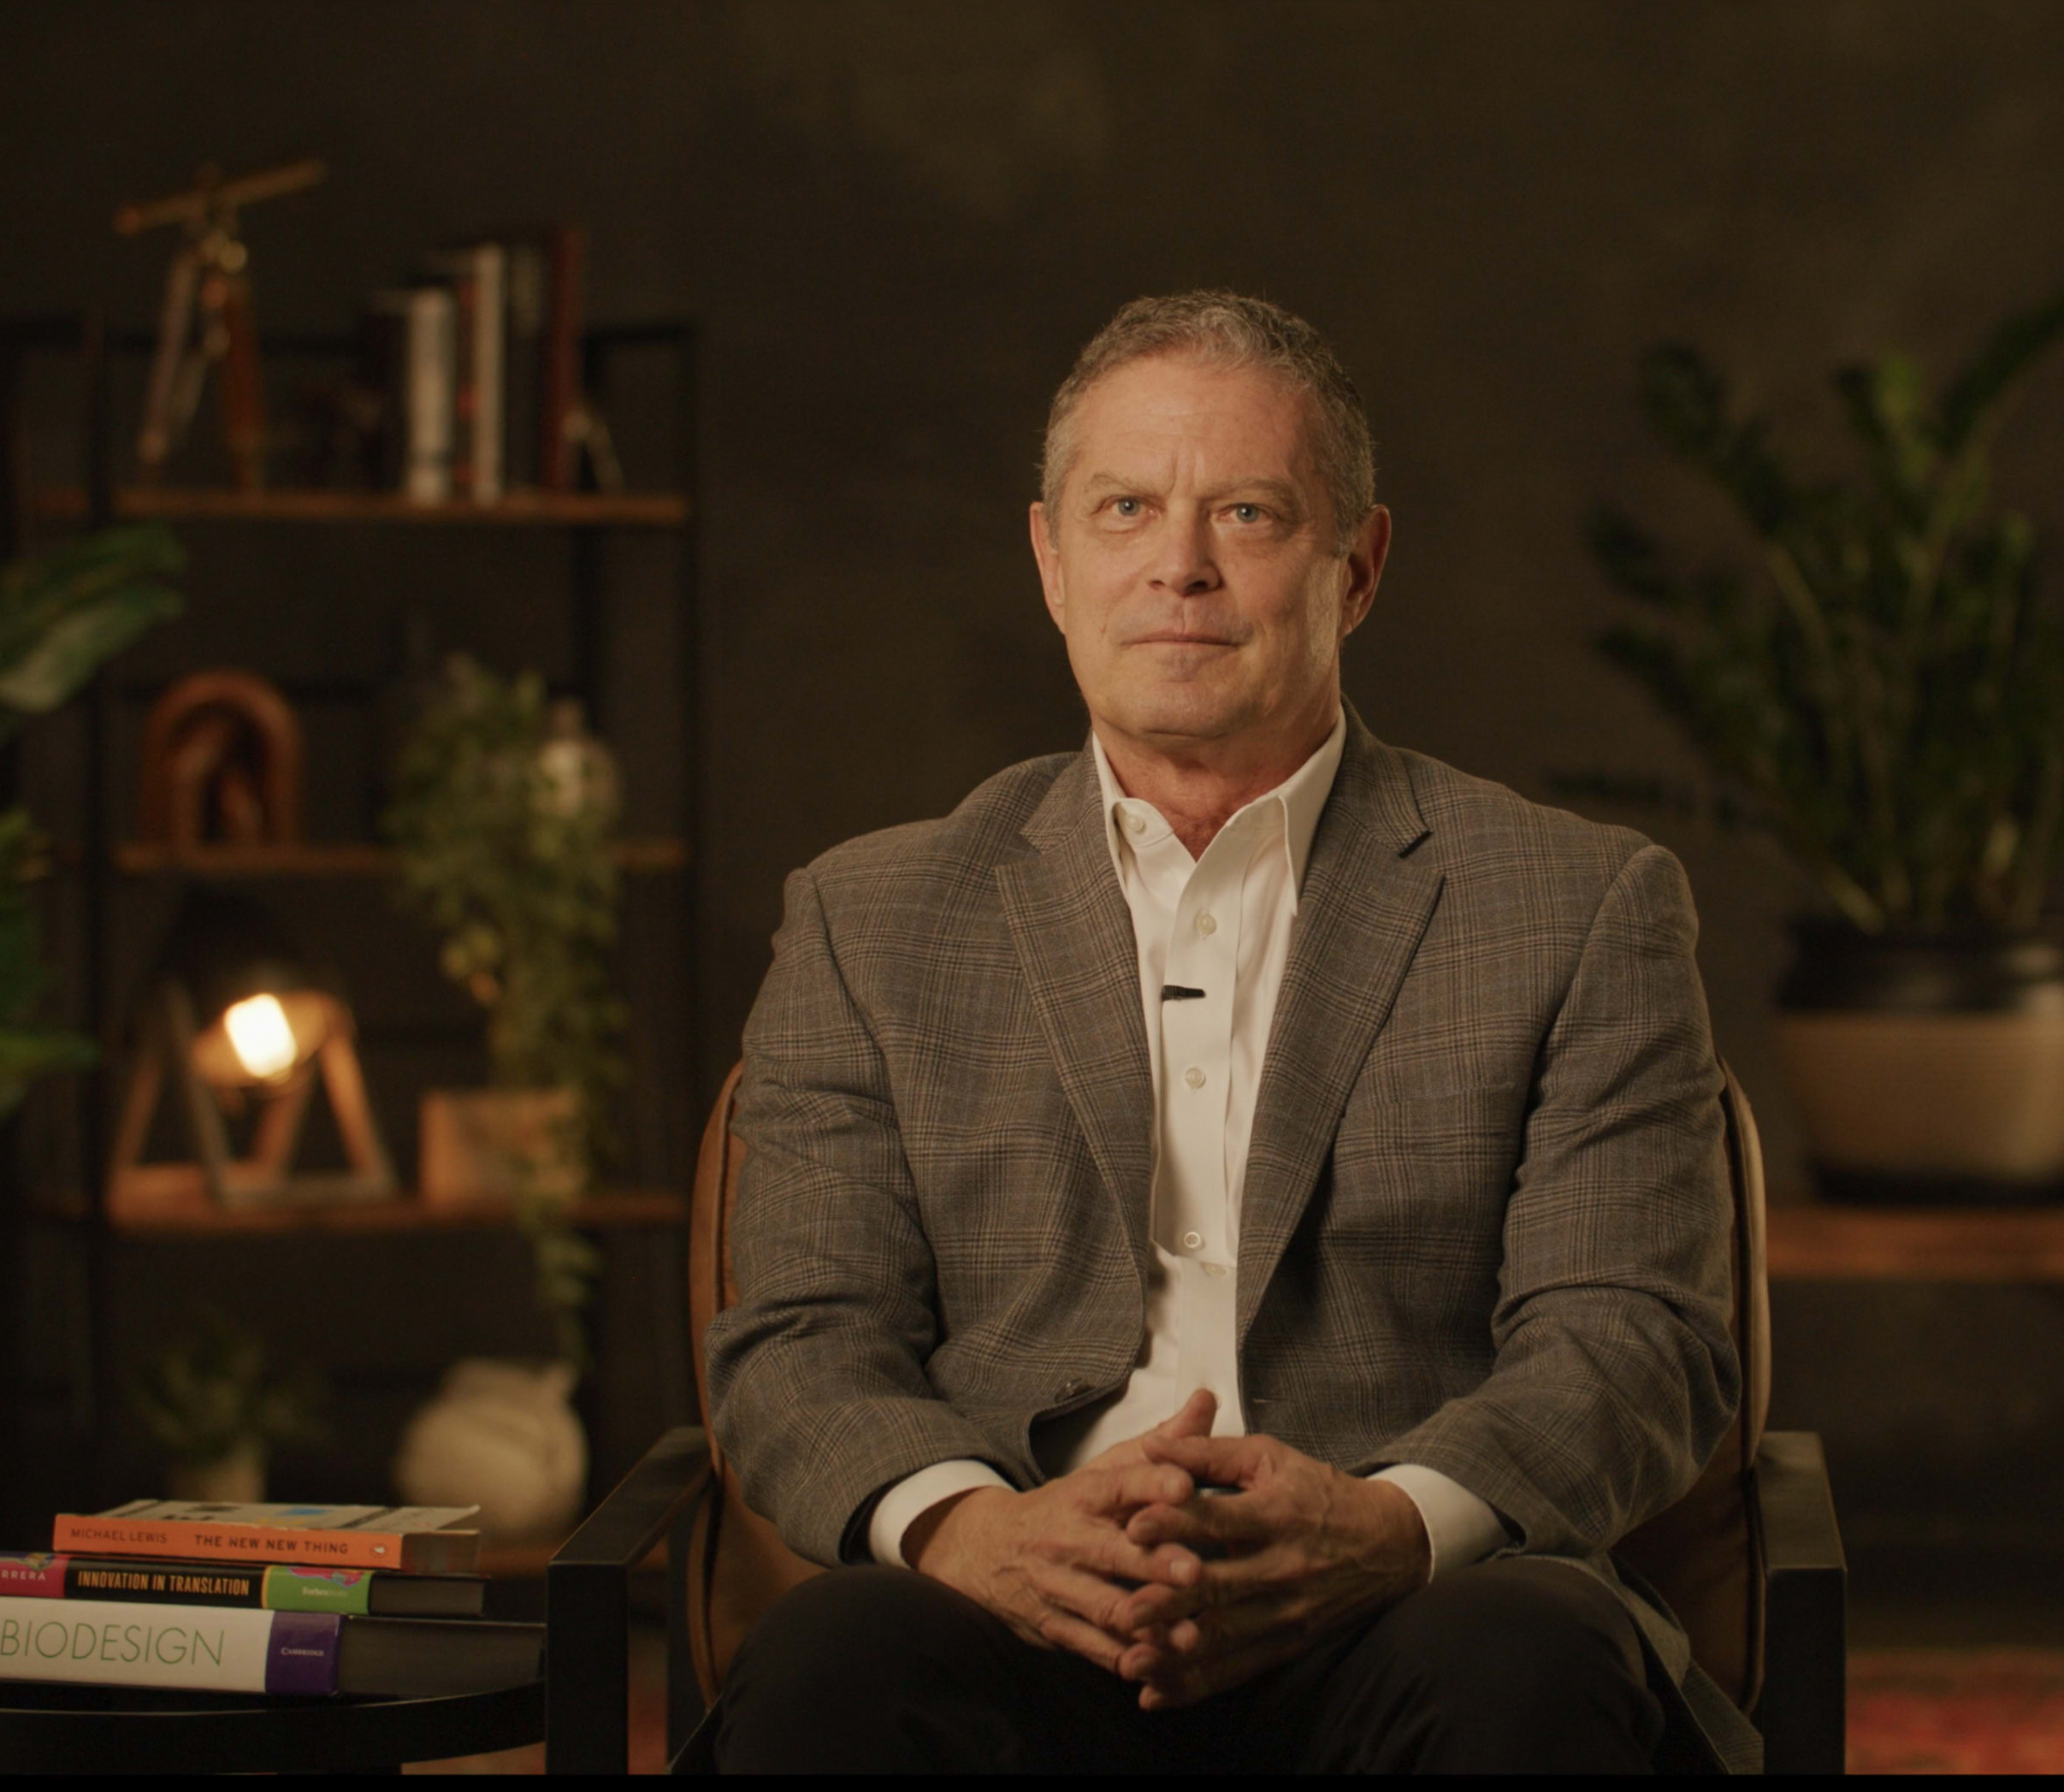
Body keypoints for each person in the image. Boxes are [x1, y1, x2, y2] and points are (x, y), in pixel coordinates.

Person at [704, 290, 1750, 1772]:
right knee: (833, 1666)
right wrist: (967, 1530)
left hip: (1411, 1604)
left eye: (1248, 513)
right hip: (1009, 1601)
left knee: (1529, 1663)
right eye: (1125, 509)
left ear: (1358, 567)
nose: (1179, 566)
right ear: (1052, 561)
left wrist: (1393, 1524)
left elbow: (1634, 1335)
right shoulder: (868, 920)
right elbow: (802, 1341)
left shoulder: (1579, 905)